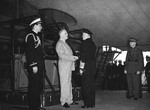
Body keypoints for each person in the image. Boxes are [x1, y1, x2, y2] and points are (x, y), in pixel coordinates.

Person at [55, 25, 78, 108]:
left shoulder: (64, 43)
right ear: (61, 35)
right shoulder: (59, 43)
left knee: (68, 83)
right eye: (65, 33)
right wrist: (73, 58)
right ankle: (64, 101)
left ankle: (69, 100)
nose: (67, 34)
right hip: (64, 66)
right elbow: (62, 56)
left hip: (67, 66)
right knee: (64, 83)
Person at [25, 17, 45, 110]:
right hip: (35, 66)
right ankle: (33, 107)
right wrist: (33, 65)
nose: (41, 27)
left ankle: (36, 106)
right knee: (34, 87)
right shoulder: (30, 36)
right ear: (35, 25)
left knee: (38, 87)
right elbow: (30, 52)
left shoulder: (36, 36)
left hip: (39, 65)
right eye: (40, 25)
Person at [79, 28, 96, 108]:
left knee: (85, 86)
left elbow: (83, 57)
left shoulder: (84, 44)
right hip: (92, 68)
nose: (82, 36)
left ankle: (86, 104)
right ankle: (92, 103)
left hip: (86, 67)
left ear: (86, 35)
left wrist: (81, 68)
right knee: (91, 86)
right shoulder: (93, 44)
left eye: (82, 34)